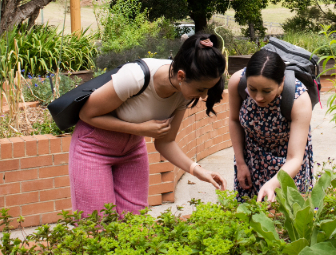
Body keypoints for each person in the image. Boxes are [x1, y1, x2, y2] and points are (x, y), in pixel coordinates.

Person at [70, 33, 228, 216]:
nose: (203, 96)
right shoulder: (135, 77)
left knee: (134, 225)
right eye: (201, 89)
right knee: (97, 226)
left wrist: (198, 171)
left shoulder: (183, 94)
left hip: (131, 151)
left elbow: (165, 142)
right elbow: (87, 114)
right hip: (93, 148)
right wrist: (139, 129)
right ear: (181, 75)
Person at [228, 49, 314, 202]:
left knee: (286, 219)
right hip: (251, 162)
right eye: (252, 89)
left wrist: (273, 184)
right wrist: (241, 163)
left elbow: (295, 158)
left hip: (287, 167)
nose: (258, 97)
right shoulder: (237, 82)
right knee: (249, 217)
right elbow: (234, 120)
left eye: (267, 91)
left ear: (282, 81)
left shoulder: (298, 98)